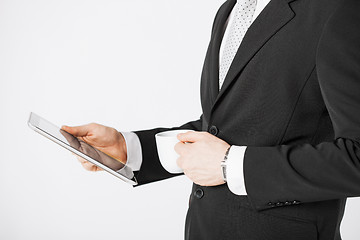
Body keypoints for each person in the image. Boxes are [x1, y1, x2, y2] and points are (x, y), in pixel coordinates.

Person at [62, 0, 360, 239]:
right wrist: (131, 149)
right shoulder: (229, 9)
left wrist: (230, 165)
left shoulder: (338, 9)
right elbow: (224, 126)